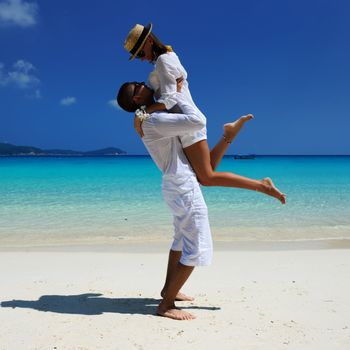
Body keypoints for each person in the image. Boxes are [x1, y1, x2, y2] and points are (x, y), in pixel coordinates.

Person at [117, 81, 286, 320]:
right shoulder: (154, 121)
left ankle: (169, 291)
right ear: (136, 100)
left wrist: (148, 109)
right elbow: (197, 122)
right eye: (138, 87)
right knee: (195, 245)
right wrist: (177, 93)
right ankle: (165, 305)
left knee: (180, 241)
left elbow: (201, 168)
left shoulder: (148, 118)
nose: (143, 84)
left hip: (176, 184)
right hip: (182, 187)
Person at [123, 23, 286, 202]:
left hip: (188, 122)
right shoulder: (168, 57)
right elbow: (172, 94)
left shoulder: (163, 61)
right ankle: (228, 136)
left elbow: (169, 100)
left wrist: (142, 113)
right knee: (205, 175)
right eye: (136, 55)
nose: (140, 58)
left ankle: (262, 185)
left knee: (206, 178)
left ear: (149, 41)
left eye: (139, 52)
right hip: (184, 121)